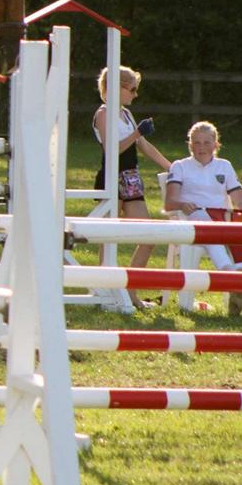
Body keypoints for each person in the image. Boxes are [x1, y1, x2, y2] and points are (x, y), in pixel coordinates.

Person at [92, 65, 172, 309]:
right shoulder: (103, 114)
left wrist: (174, 168)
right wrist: (136, 133)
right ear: (116, 87)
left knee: (147, 238)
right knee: (108, 239)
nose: (136, 94)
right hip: (111, 177)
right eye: (132, 89)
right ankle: (103, 294)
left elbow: (144, 147)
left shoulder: (126, 114)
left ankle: (130, 293)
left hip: (131, 178)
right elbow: (112, 150)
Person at [165, 121, 242, 316]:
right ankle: (234, 278)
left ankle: (239, 287)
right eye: (196, 143)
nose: (201, 148)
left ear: (216, 144)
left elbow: (240, 201)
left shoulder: (224, 166)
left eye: (207, 142)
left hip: (222, 220)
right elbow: (169, 203)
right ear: (190, 145)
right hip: (193, 220)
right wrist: (182, 205)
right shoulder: (180, 166)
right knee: (201, 218)